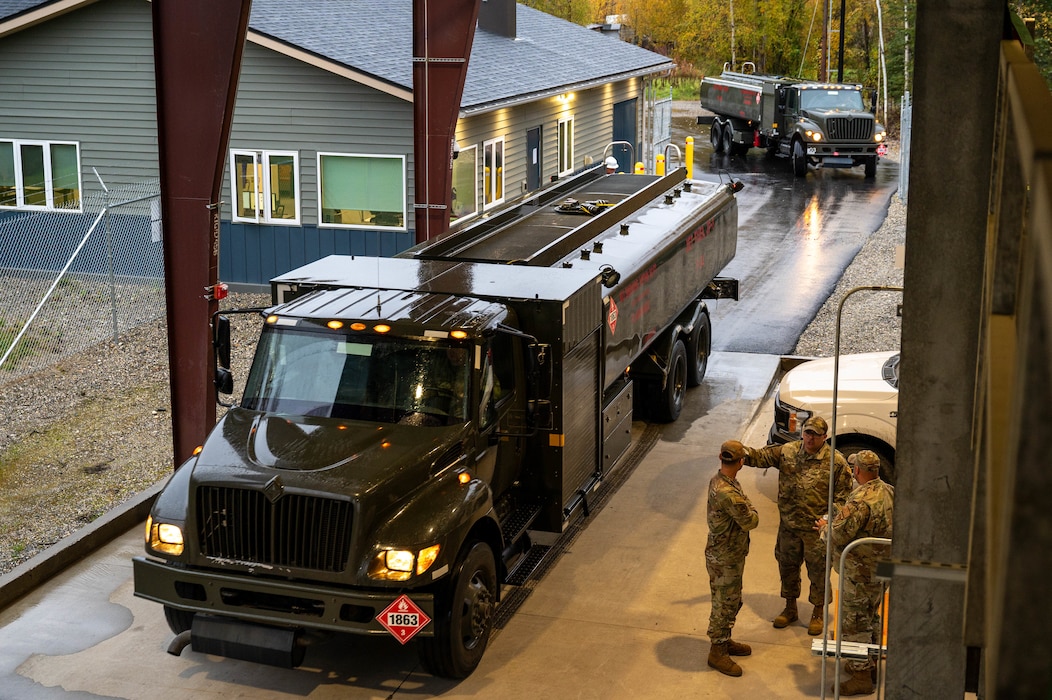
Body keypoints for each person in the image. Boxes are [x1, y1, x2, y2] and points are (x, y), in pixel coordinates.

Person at [741, 415, 852, 636]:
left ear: (825, 437)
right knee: (787, 567)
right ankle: (790, 607)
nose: (810, 439)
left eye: (815, 435)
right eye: (807, 433)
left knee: (818, 573)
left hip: (815, 531)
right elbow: (760, 457)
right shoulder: (788, 452)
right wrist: (740, 452)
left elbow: (843, 498)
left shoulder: (836, 462)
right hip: (789, 527)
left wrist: (829, 519)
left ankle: (818, 612)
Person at [816, 449, 894, 696]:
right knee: (872, 613)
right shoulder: (891, 491)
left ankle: (861, 676)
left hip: (861, 572)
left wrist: (824, 527)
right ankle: (868, 661)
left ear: (857, 470)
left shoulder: (860, 500)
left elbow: (838, 535)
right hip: (885, 569)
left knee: (855, 621)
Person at [705, 440, 759, 677]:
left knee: (730, 600)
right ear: (741, 462)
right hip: (725, 557)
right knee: (724, 604)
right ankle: (717, 651)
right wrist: (751, 508)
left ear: (720, 457)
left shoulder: (719, 480)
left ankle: (724, 640)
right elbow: (751, 521)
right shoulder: (729, 493)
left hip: (726, 553)